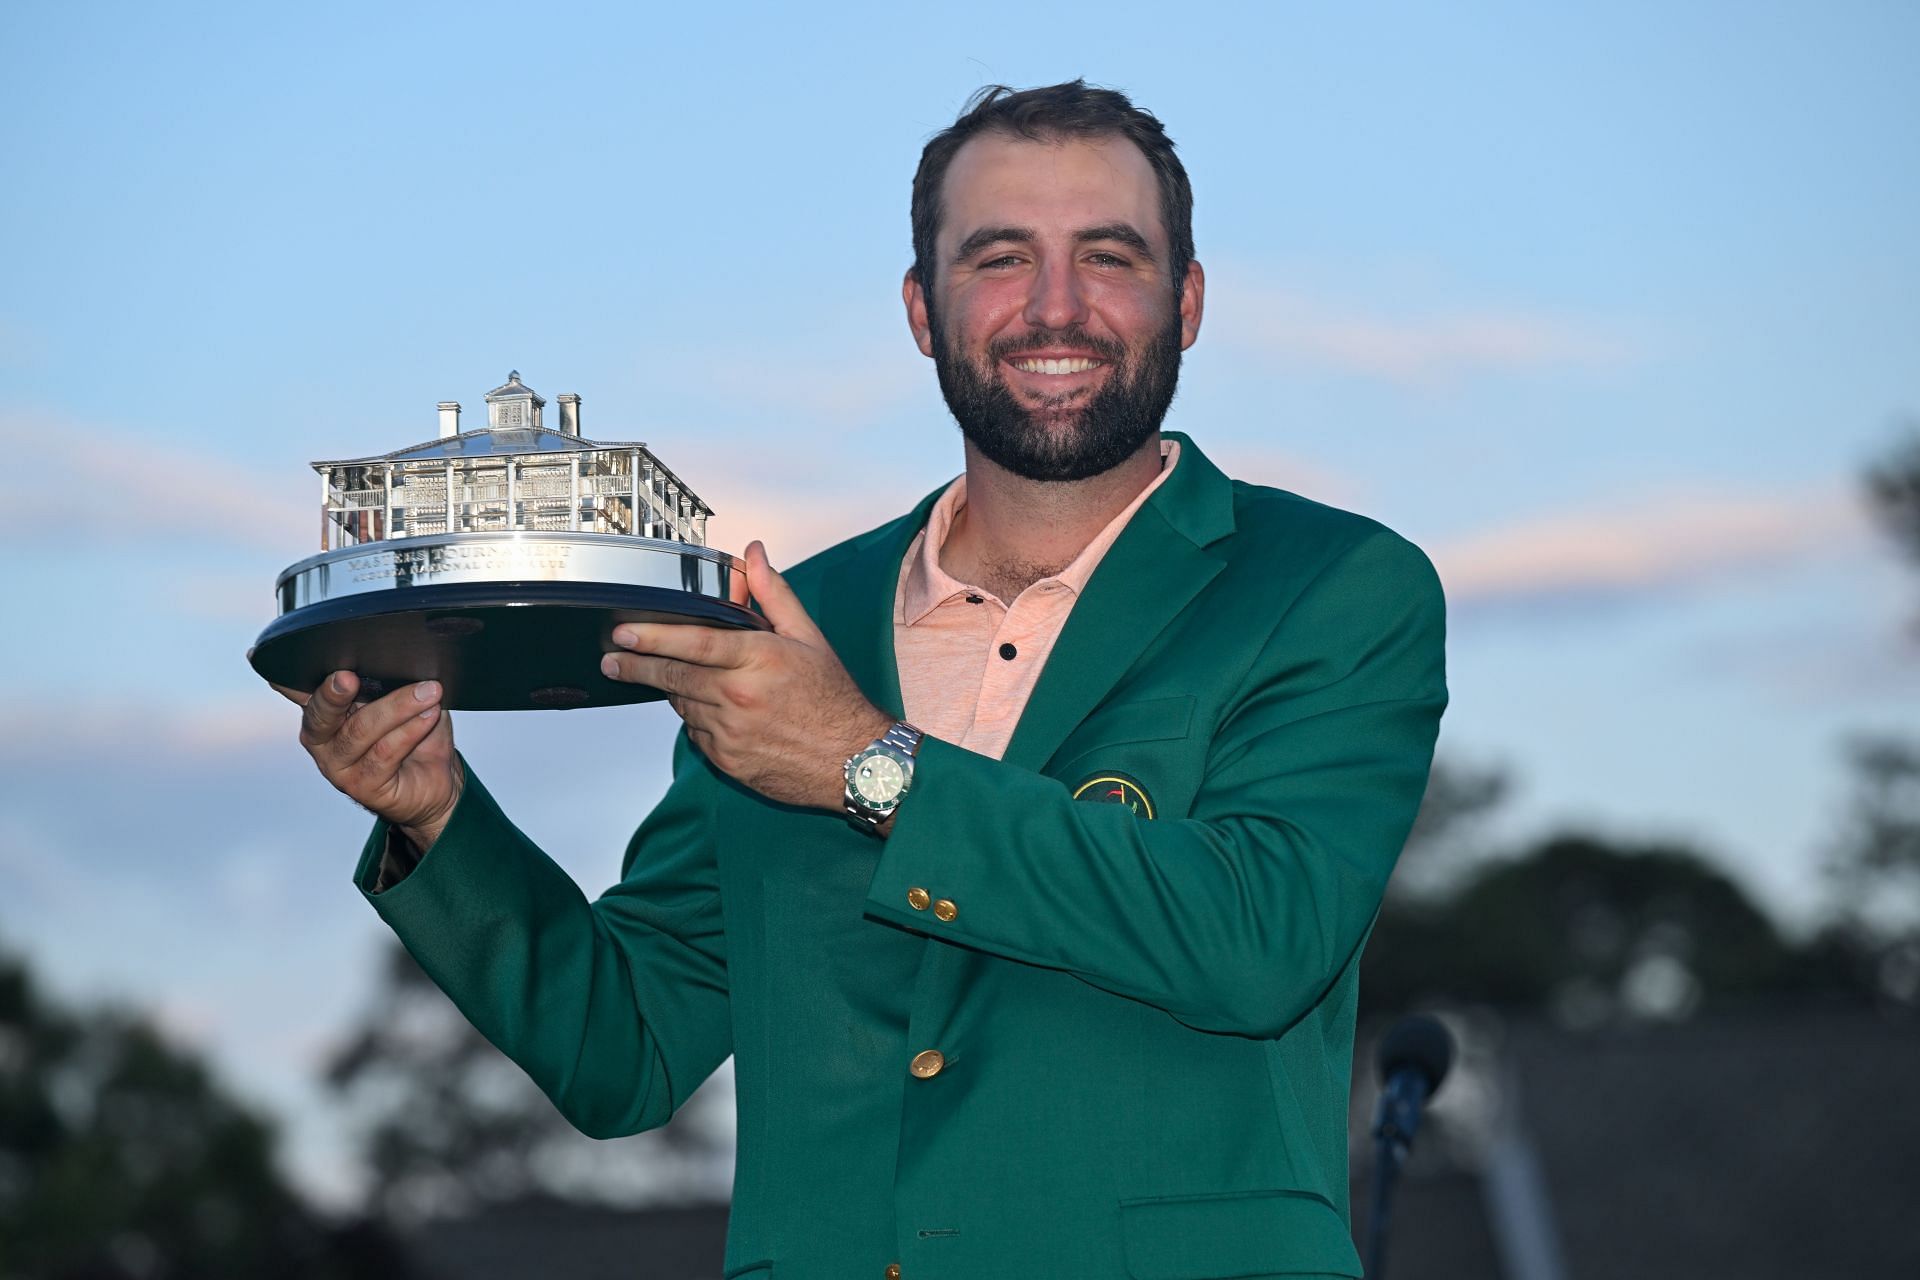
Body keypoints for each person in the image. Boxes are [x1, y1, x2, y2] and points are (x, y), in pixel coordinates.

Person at [284, 81, 1447, 1280]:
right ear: (921, 309)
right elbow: (624, 1046)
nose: (1057, 306)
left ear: (1188, 301)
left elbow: (1260, 937)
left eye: (1109, 256)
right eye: (999, 259)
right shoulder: (794, 624)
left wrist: (867, 764)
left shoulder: (1332, 585)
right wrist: (438, 817)